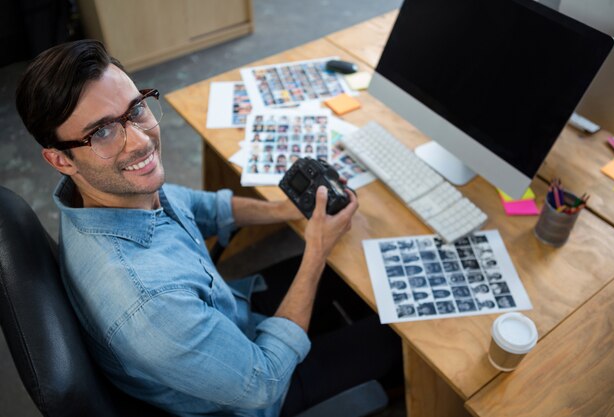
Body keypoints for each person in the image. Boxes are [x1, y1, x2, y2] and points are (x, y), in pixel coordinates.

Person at [15, 40, 401, 417]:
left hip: (232, 308)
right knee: (400, 337)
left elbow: (203, 208)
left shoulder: (108, 192)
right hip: (257, 392)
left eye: (135, 109)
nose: (139, 141)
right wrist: (316, 250)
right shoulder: (149, 302)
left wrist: (289, 209)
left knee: (365, 273)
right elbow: (263, 382)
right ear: (60, 160)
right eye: (101, 132)